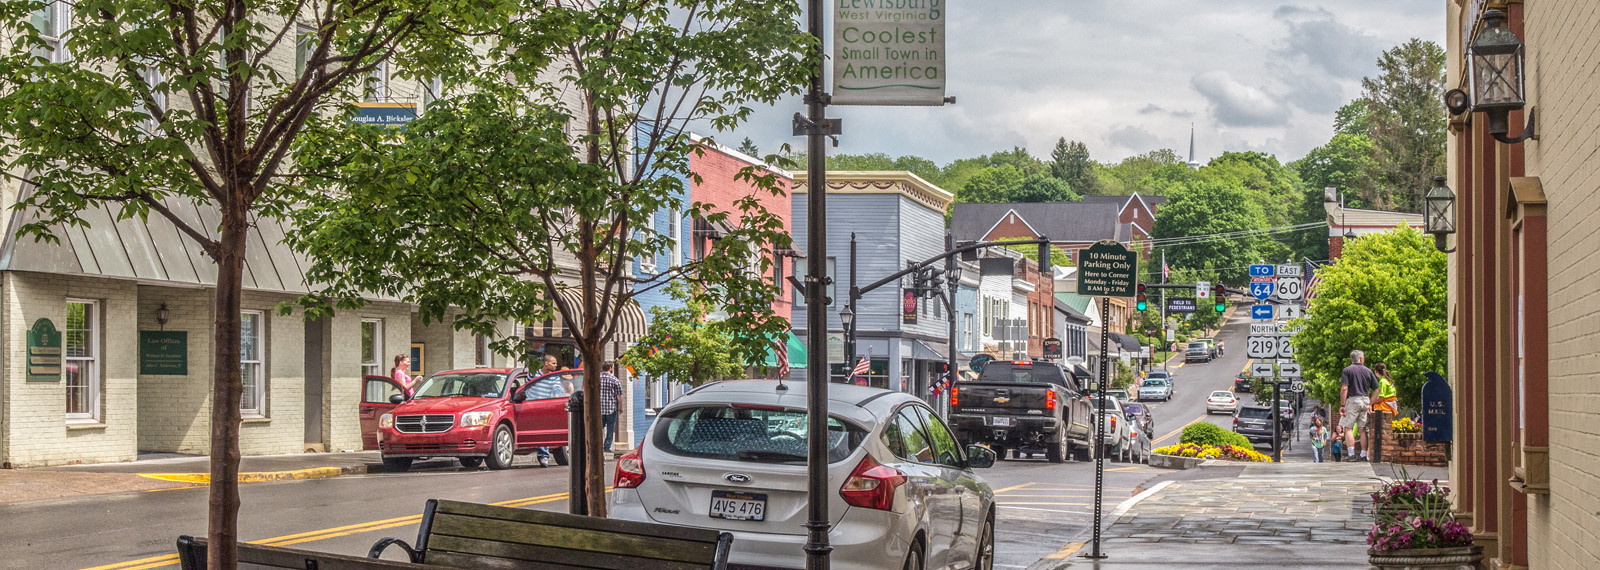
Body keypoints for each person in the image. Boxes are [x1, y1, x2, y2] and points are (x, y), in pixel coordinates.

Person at [1339, 349, 1379, 462]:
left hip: (1353, 400)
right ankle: (1363, 454)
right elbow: (1376, 389)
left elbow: (1344, 388)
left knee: (1348, 428)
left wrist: (1342, 405)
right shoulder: (1368, 371)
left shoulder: (1347, 370)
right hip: (1365, 400)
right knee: (1362, 429)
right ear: (1361, 359)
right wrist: (1370, 403)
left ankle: (1351, 454)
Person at [534, 355, 561, 467]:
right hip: (532, 406)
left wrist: (556, 398)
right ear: (546, 363)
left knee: (542, 431)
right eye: (553, 363)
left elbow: (557, 388)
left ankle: (544, 455)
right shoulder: (534, 374)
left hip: (545, 407)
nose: (556, 365)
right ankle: (543, 455)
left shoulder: (554, 377)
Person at [598, 362, 624, 456]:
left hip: (599, 408)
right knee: (610, 428)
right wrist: (620, 407)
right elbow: (619, 396)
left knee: (598, 428)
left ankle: (598, 445)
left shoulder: (598, 378)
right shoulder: (614, 379)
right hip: (611, 408)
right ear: (610, 368)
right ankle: (606, 447)